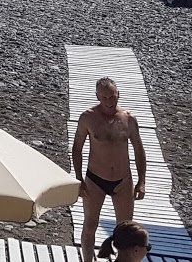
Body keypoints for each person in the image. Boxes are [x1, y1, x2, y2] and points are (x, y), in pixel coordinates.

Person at [73, 78, 147, 262]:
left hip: (123, 181)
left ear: (118, 94)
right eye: (104, 97)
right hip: (95, 179)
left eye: (112, 96)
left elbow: (139, 149)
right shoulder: (88, 117)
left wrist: (141, 181)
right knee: (90, 225)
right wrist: (79, 178)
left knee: (125, 229)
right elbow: (77, 148)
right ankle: (87, 260)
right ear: (97, 96)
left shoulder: (128, 119)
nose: (108, 100)